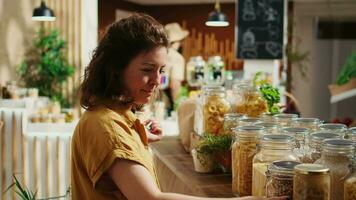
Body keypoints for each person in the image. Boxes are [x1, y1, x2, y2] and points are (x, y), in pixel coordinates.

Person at [71, 13, 287, 200]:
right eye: (147, 69)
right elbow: (150, 198)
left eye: (161, 70)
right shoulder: (106, 127)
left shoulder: (114, 115)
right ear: (116, 68)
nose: (157, 81)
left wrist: (136, 136)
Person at [160, 22, 189, 115]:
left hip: (150, 99)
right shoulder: (177, 57)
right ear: (179, 40)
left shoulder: (158, 53)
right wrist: (178, 109)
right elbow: (175, 85)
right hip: (165, 102)